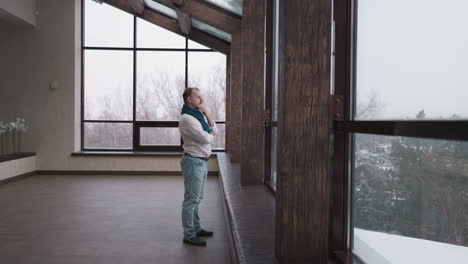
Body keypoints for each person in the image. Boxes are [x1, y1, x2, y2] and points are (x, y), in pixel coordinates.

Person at [179, 87, 218, 246]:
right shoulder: (187, 118)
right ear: (189, 99)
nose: (201, 99)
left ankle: (196, 228)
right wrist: (210, 135)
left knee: (197, 198)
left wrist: (208, 114)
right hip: (193, 162)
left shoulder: (199, 114)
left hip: (201, 161)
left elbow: (214, 130)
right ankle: (189, 234)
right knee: (191, 200)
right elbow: (205, 139)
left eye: (201, 96)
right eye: (198, 97)